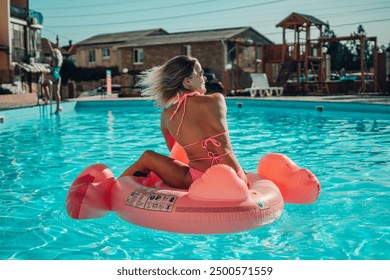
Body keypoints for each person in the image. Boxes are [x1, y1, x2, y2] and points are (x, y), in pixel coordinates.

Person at [119, 55, 247, 189]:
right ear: (187, 82)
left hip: (199, 180)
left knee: (148, 156)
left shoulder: (167, 116)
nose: (204, 78)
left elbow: (175, 153)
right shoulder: (217, 100)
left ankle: (114, 188)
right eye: (200, 74)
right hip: (236, 176)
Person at [48, 40, 63, 113]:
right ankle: (58, 107)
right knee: (57, 93)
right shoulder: (59, 60)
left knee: (44, 83)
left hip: (53, 75)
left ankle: (46, 98)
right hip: (58, 76)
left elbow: (52, 51)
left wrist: (49, 43)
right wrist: (57, 41)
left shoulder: (54, 59)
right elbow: (58, 50)